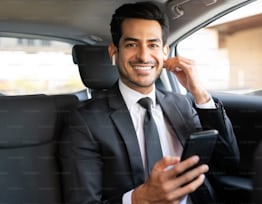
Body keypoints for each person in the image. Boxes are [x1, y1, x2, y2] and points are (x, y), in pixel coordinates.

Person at [58, 1, 240, 204]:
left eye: (153, 44)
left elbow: (229, 162)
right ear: (114, 53)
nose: (144, 56)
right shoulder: (85, 121)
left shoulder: (182, 104)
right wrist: (138, 199)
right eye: (131, 44)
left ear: (164, 52)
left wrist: (200, 93)